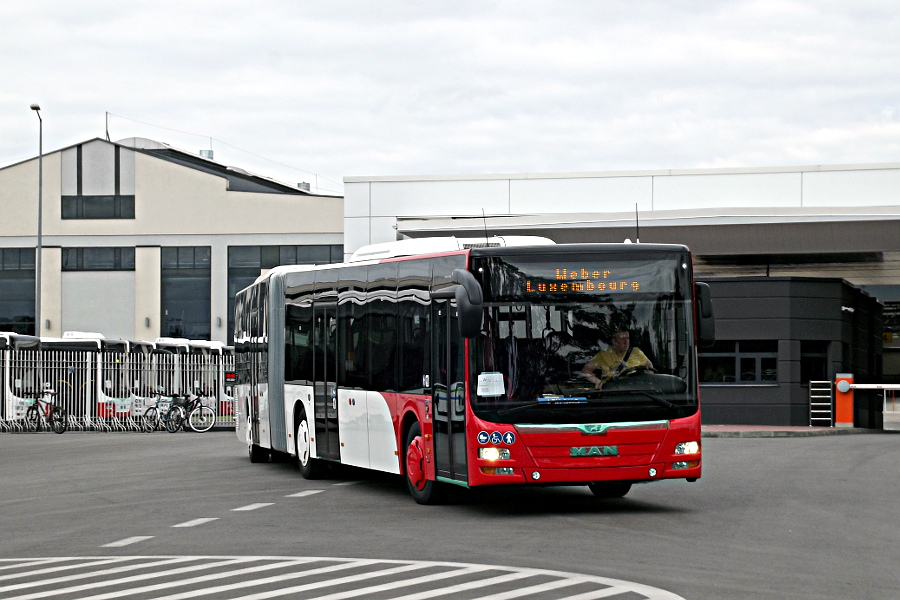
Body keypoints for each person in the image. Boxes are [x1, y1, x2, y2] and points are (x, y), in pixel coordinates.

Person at [581, 329, 653, 388]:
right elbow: (586, 370)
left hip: (634, 390)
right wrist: (597, 381)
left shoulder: (636, 352)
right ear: (614, 341)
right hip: (614, 391)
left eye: (627, 338)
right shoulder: (603, 354)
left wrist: (648, 383)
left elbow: (649, 367)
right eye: (622, 339)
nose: (626, 342)